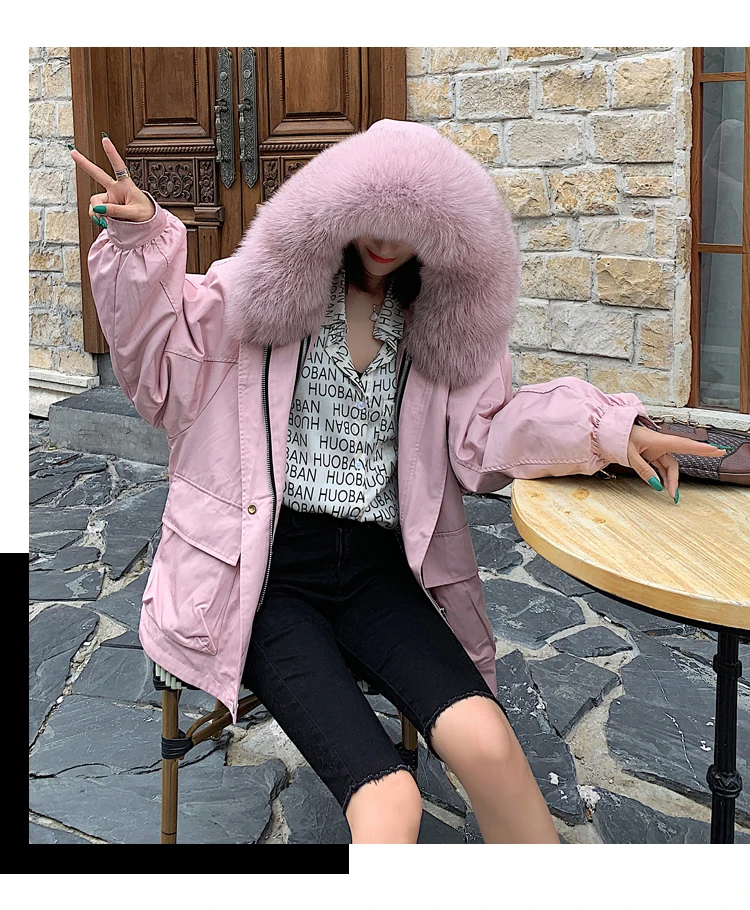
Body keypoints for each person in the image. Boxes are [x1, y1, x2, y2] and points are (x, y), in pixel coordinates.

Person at [71, 119, 726, 844]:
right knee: (390, 803)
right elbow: (157, 373)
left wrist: (609, 430)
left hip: (380, 573)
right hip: (264, 579)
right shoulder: (252, 296)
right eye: (373, 215)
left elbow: (489, 433)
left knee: (489, 744)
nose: (388, 239)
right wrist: (139, 243)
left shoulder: (440, 326)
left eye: (413, 224)